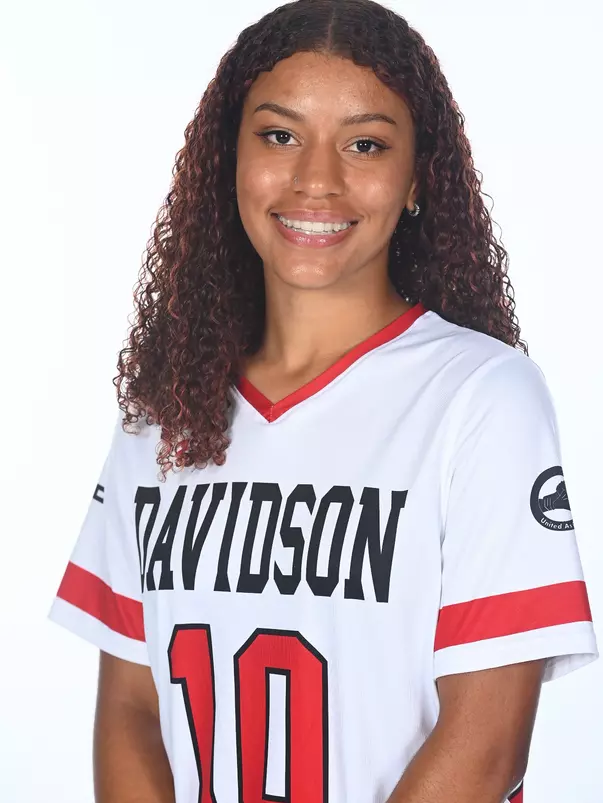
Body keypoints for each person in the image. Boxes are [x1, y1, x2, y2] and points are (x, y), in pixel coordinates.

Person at [48, 1, 598, 801]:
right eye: (279, 136)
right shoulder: (164, 411)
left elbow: (485, 745)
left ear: (416, 177)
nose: (316, 179)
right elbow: (131, 708)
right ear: (227, 158)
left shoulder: (481, 396)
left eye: (364, 144)